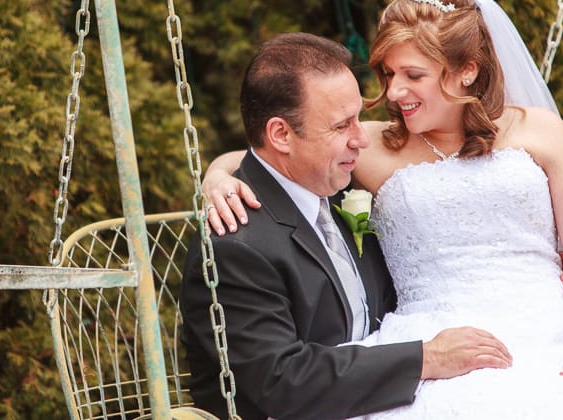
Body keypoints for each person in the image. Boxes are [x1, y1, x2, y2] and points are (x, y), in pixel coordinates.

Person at [201, 0, 563, 419]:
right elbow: (268, 153)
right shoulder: (370, 146)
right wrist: (216, 178)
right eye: (388, 74)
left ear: (467, 71)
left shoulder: (540, 132)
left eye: (413, 75)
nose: (394, 92)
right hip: (431, 338)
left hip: (555, 330)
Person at [180, 32, 517, 420]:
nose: (362, 139)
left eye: (359, 117)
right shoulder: (236, 244)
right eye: (342, 126)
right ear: (280, 135)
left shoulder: (339, 191)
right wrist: (426, 359)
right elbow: (282, 381)